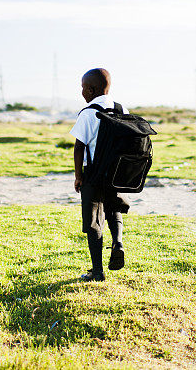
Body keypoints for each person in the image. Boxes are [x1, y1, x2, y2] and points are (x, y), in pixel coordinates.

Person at [70, 68, 129, 282]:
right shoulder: (122, 109)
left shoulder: (88, 112)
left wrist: (78, 176)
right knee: (114, 209)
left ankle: (97, 271)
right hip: (116, 172)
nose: (82, 91)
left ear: (91, 89)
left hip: (94, 173)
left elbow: (79, 147)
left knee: (93, 220)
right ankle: (118, 243)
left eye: (83, 87)